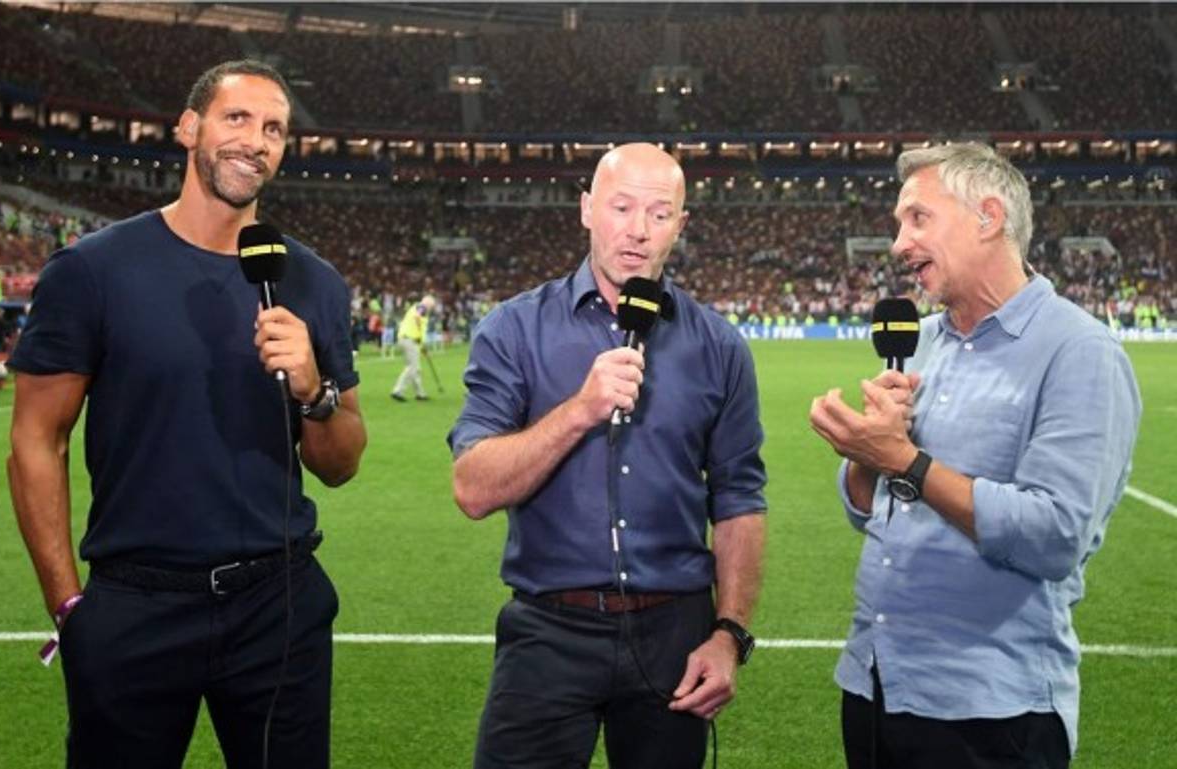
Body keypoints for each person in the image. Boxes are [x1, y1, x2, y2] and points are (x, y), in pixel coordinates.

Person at [6, 60, 366, 769]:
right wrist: (68, 607)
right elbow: (34, 440)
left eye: (273, 130)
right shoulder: (93, 269)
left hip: (279, 603)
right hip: (135, 602)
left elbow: (342, 460)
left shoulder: (314, 282)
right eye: (237, 119)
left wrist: (313, 389)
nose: (255, 141)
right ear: (188, 127)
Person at [809, 142, 1141, 769]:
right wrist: (864, 457)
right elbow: (869, 513)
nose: (899, 244)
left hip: (991, 712)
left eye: (918, 219)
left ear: (989, 218)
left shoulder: (1078, 352)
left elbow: (1054, 534)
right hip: (876, 685)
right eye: (898, 225)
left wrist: (904, 461)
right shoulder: (923, 342)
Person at [449, 143, 767, 768]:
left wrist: (728, 635)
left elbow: (739, 500)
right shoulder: (514, 330)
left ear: (681, 224)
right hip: (547, 629)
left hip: (675, 631)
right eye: (622, 207)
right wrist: (580, 409)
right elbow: (473, 489)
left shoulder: (720, 346)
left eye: (658, 212)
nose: (638, 230)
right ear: (588, 210)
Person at [390, 294, 435, 402]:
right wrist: (419, 330)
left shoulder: (416, 307)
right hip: (410, 340)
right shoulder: (422, 307)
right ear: (428, 304)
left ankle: (420, 393)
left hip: (408, 339)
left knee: (416, 368)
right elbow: (417, 317)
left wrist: (422, 346)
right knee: (412, 367)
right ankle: (398, 391)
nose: (431, 309)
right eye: (431, 307)